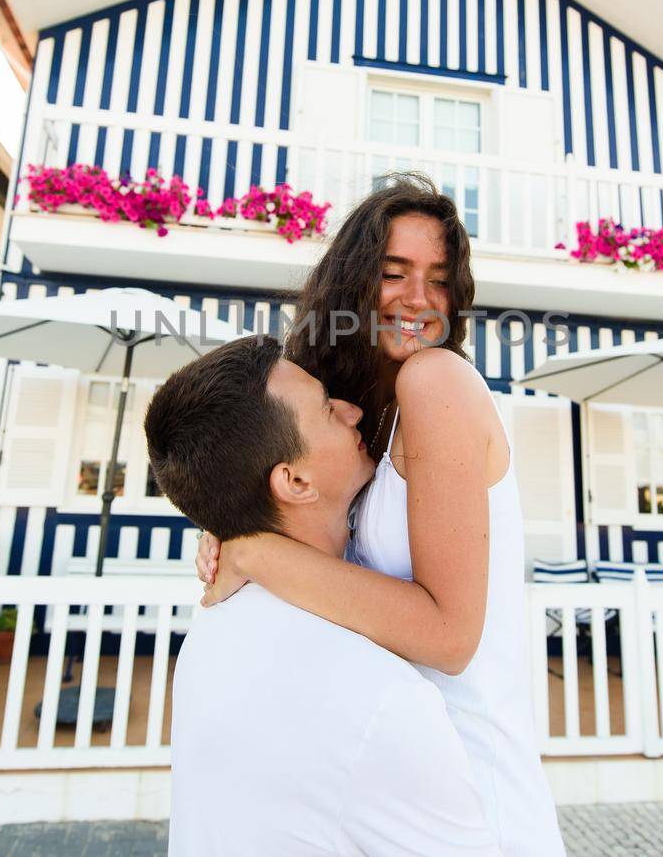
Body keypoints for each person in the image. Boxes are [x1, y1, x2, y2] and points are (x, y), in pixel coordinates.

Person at [197, 175, 565, 856]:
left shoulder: (438, 383)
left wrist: (259, 555)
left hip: (472, 800)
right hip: (376, 790)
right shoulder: (362, 422)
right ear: (353, 284)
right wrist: (232, 529)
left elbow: (450, 638)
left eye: (440, 279)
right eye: (394, 274)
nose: (420, 301)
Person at [145, 334, 500, 857]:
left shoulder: (210, 634)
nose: (354, 411)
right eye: (327, 409)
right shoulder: (380, 701)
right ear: (294, 481)